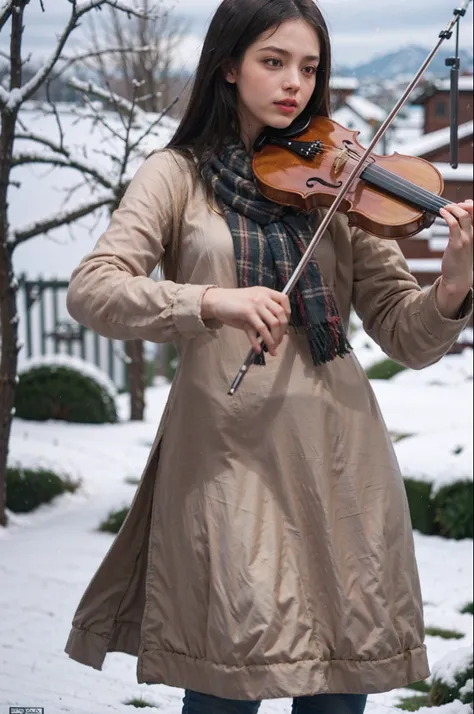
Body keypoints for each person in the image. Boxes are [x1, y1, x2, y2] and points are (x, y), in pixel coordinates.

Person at [64, 1, 473, 712]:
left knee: (339, 694)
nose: (295, 83)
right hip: (228, 463)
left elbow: (406, 334)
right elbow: (92, 290)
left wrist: (456, 285)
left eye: (309, 68)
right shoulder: (176, 176)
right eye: (273, 62)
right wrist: (209, 302)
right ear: (229, 65)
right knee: (228, 681)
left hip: (342, 464)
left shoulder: (342, 185)